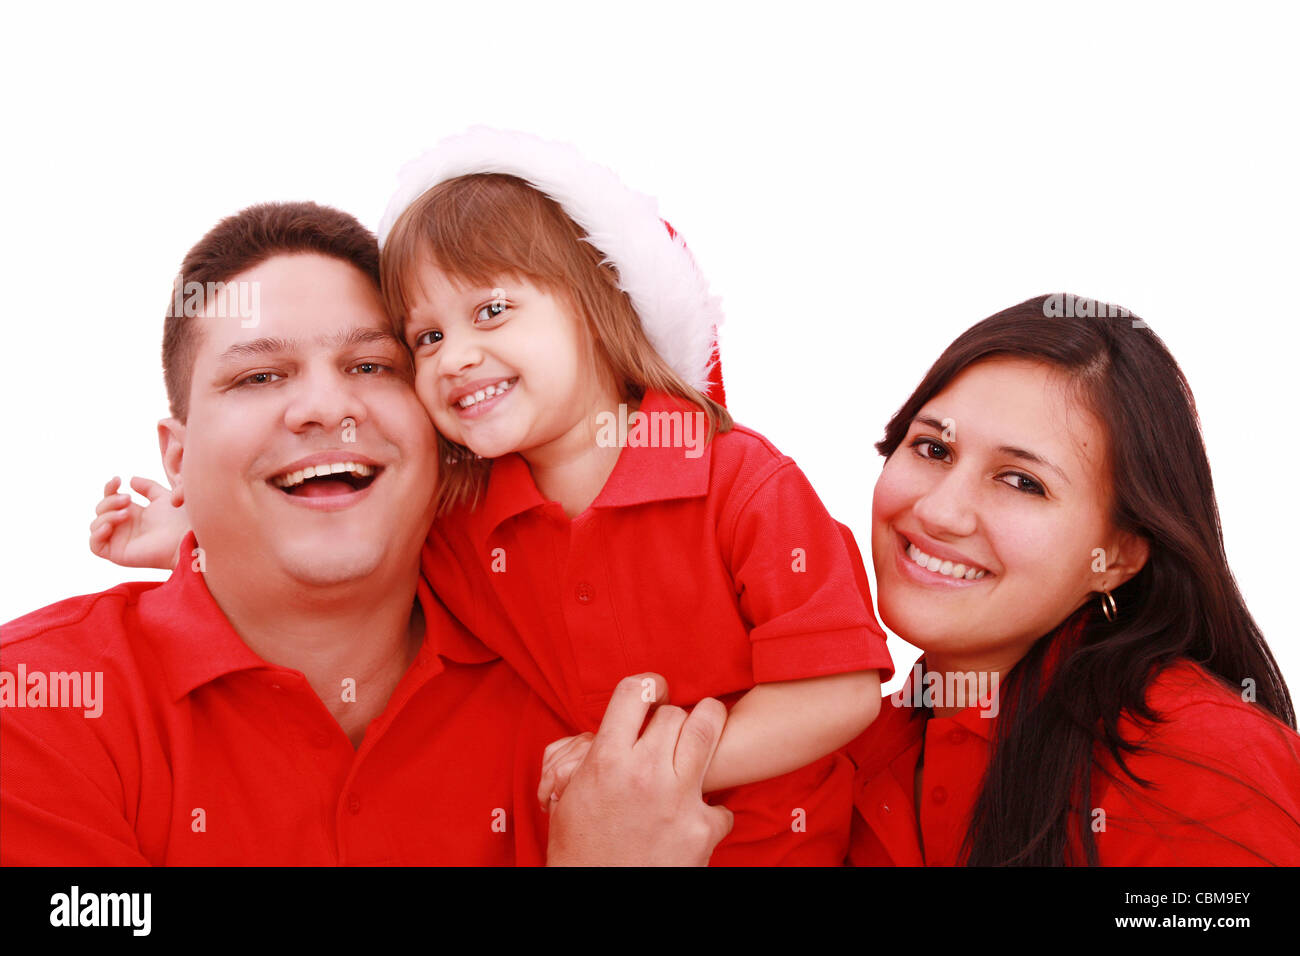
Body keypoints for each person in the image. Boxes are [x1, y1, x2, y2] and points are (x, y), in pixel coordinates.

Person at [91, 128, 895, 865]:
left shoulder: (741, 484)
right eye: (427, 337)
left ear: (599, 306)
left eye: (493, 311)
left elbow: (845, 688)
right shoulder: (470, 512)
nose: (456, 357)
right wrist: (199, 523)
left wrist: (638, 771)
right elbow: (337, 538)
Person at [2, 201, 732, 866]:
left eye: (372, 364)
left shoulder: (584, 686)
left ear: (447, 432)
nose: (325, 407)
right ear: (178, 458)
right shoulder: (40, 702)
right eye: (259, 377)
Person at [846, 295, 1300, 865]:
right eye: (933, 448)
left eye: (1021, 482)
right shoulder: (835, 750)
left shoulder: (1202, 759)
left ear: (1118, 556)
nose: (940, 512)